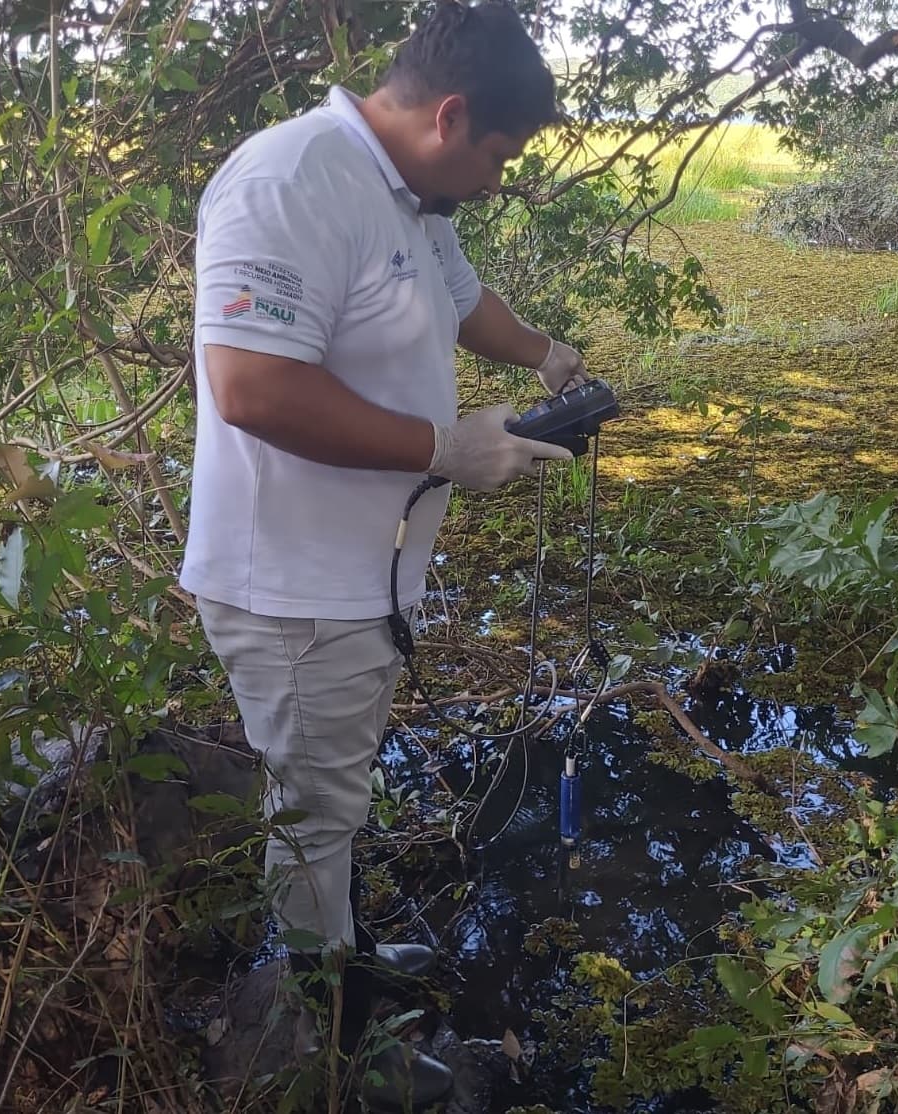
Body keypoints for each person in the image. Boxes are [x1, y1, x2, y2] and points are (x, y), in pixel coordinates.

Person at [179, 0, 586, 1105]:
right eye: (499, 153)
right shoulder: (289, 182)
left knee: (337, 796)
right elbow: (250, 386)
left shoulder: (411, 192)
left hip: (361, 581)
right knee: (313, 816)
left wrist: (550, 358)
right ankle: (321, 1039)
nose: (500, 176)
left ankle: (341, 964)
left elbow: (458, 305)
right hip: (294, 589)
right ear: (450, 115)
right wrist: (444, 448)